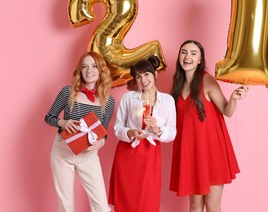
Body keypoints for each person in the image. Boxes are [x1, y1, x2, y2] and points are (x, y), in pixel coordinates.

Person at [169, 40, 249, 212]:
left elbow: (226, 111)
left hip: (212, 152)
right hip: (191, 154)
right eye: (184, 52)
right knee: (194, 206)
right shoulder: (177, 84)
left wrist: (234, 98)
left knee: (212, 206)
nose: (187, 56)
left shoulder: (207, 81)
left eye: (193, 53)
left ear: (200, 60)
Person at [44, 51, 115, 212]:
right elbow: (49, 117)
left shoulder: (108, 100)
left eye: (93, 66)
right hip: (62, 152)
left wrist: (101, 141)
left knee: (101, 207)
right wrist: (63, 122)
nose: (89, 70)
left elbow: (103, 131)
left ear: (100, 70)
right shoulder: (67, 92)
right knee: (66, 205)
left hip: (88, 155)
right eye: (84, 67)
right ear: (80, 71)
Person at [108, 55, 177, 212]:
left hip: (151, 155)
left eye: (146, 74)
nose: (143, 80)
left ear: (155, 74)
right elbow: (117, 127)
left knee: (149, 201)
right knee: (126, 200)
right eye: (138, 76)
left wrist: (158, 130)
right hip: (127, 153)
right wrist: (131, 132)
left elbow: (172, 133)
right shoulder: (128, 98)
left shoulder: (167, 101)